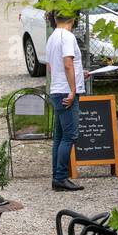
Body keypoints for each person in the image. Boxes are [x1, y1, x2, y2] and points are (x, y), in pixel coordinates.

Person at [46, 10, 85, 192]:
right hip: (65, 91)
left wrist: (78, 75)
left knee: (59, 136)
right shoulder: (67, 36)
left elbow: (51, 66)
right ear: (73, 19)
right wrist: (72, 89)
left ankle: (57, 176)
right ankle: (61, 177)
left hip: (56, 89)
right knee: (70, 135)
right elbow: (67, 62)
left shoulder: (52, 36)